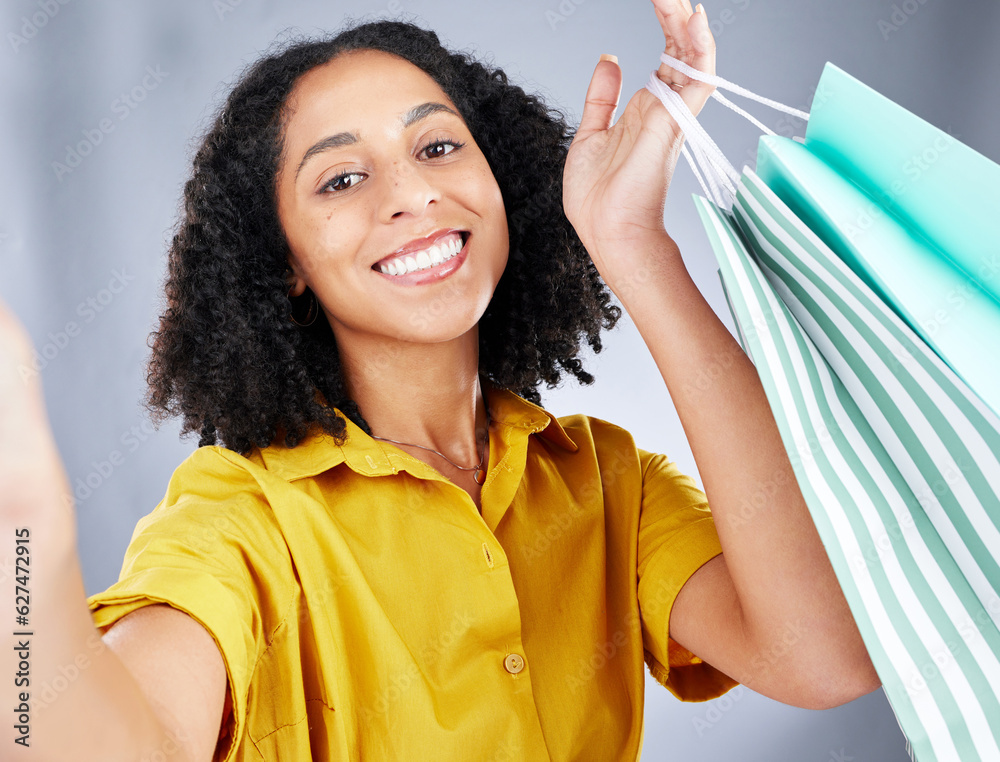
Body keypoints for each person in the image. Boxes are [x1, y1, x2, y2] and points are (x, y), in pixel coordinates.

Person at [0, 0, 881, 759]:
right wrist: (23, 527)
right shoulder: (240, 522)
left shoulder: (610, 486)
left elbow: (823, 653)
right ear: (287, 264)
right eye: (341, 178)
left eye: (437, 146)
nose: (409, 194)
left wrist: (634, 244)